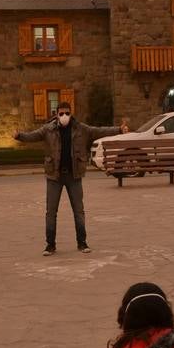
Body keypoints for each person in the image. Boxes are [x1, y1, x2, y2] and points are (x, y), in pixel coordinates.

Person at [13, 100, 128, 255]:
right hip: (55, 176)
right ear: (56, 114)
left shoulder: (81, 129)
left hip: (74, 176)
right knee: (51, 212)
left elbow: (99, 131)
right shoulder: (48, 129)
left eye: (67, 113)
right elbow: (33, 136)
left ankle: (82, 243)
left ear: (71, 113)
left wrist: (119, 130)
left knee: (78, 211)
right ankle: (50, 245)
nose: (64, 116)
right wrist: (19, 135)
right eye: (61, 113)